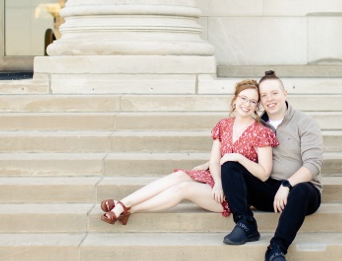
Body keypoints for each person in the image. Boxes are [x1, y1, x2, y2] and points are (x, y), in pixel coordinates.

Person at [100, 80, 277, 224]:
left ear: (257, 106)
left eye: (252, 101)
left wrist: (238, 158)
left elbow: (263, 174)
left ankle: (126, 208)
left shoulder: (261, 132)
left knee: (184, 188)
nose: (246, 104)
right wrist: (217, 182)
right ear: (234, 99)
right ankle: (123, 204)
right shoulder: (224, 125)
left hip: (238, 192)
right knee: (179, 176)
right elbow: (214, 161)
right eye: (243, 98)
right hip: (217, 182)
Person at [219, 69, 324, 261]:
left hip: (301, 193)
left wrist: (288, 185)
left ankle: (276, 251)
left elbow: (313, 165)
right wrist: (210, 164)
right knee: (230, 164)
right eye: (264, 95)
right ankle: (246, 224)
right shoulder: (256, 125)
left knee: (301, 190)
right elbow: (234, 149)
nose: (270, 99)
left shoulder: (305, 123)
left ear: (285, 93)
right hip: (268, 190)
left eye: (274, 93)